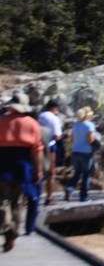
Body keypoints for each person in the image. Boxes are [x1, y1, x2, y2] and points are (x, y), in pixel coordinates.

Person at [0, 93, 43, 252]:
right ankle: (15, 228)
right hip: (23, 164)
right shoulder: (32, 123)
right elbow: (37, 150)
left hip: (2, 162)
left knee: (2, 198)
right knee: (18, 200)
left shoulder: (1, 121)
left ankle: (6, 225)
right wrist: (38, 170)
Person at [65, 106, 96, 202]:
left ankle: (70, 188)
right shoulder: (89, 125)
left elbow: (72, 139)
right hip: (86, 152)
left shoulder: (75, 125)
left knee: (77, 173)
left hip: (75, 151)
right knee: (86, 174)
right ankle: (84, 197)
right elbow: (90, 140)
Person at [38, 99, 62, 206]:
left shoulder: (39, 116)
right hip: (50, 146)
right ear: (55, 108)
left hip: (37, 146)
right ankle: (49, 198)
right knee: (50, 173)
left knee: (37, 171)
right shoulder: (54, 119)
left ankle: (33, 197)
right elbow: (57, 136)